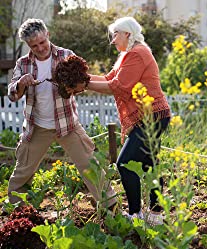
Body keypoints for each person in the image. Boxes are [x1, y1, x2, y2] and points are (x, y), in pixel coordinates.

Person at [66, 17, 171, 225]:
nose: (113, 40)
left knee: (124, 163)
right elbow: (108, 79)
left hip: (151, 116)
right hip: (152, 115)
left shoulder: (138, 54)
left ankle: (136, 214)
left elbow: (118, 86)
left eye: (116, 34)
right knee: (151, 164)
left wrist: (83, 84)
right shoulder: (128, 55)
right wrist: (81, 78)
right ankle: (156, 214)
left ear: (128, 34)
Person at [6, 18, 116, 210]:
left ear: (48, 35)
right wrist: (21, 83)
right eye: (34, 45)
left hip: (67, 124)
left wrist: (73, 86)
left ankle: (112, 209)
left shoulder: (66, 56)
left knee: (91, 166)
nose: (40, 48)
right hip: (37, 126)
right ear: (28, 45)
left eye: (42, 42)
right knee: (22, 172)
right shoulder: (23, 64)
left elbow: (81, 84)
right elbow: (12, 94)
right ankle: (17, 214)